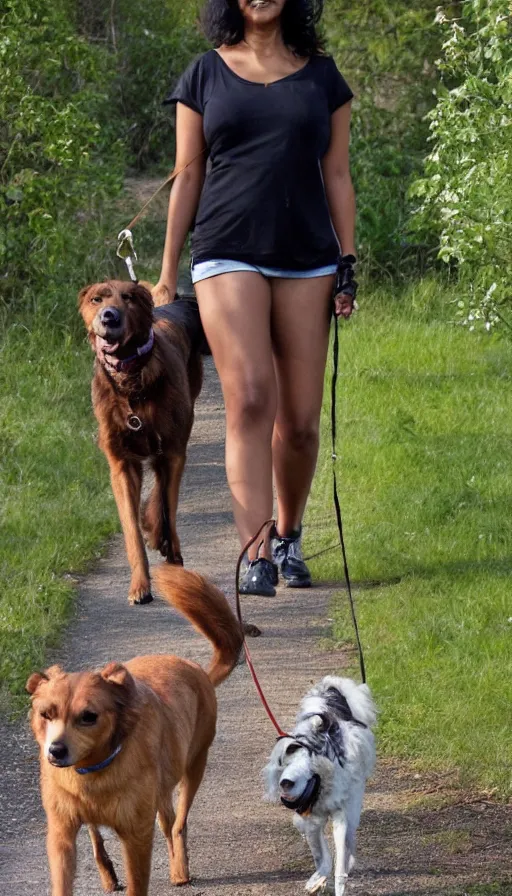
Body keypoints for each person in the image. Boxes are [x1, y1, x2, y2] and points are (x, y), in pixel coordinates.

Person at [153, 0, 357, 597]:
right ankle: (256, 552)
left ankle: (289, 534)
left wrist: (347, 261)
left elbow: (338, 174)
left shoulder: (324, 77)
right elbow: (186, 175)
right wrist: (167, 273)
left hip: (308, 257)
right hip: (225, 248)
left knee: (298, 421)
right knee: (249, 400)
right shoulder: (205, 74)